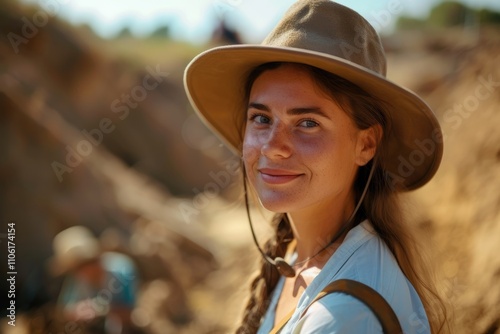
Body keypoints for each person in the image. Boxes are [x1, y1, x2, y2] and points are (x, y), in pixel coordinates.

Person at [184, 0, 448, 333]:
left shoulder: (344, 317)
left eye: (307, 123)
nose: (273, 147)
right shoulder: (303, 256)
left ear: (365, 144)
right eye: (261, 118)